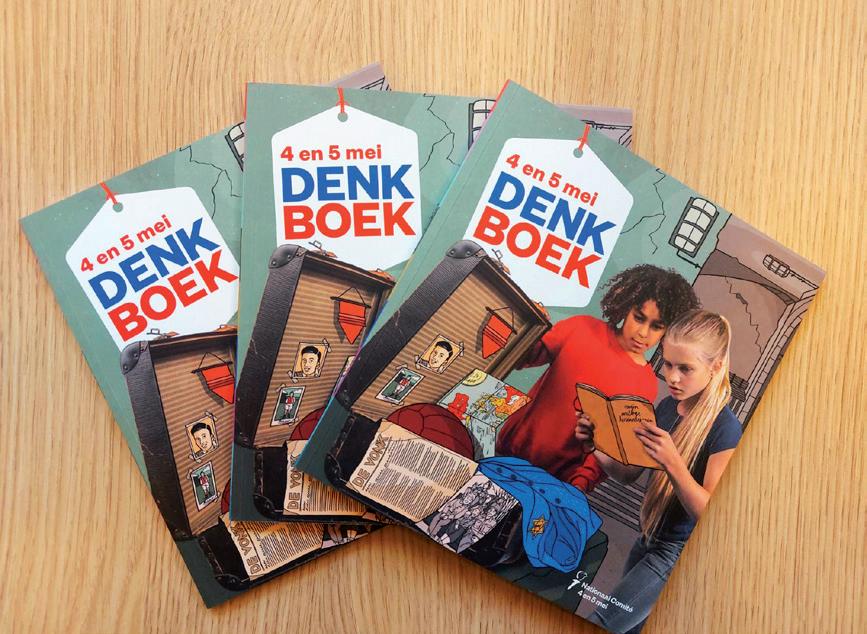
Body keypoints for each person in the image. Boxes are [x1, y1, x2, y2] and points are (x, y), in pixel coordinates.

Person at [580, 310, 743, 633]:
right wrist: (594, 445)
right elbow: (629, 474)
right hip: (647, 538)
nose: (673, 378)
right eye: (668, 364)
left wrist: (672, 462)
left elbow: (711, 514)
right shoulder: (667, 407)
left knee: (603, 622)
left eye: (685, 369)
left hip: (674, 554)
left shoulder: (726, 429)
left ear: (714, 367)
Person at [495, 264, 699, 492]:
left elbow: (608, 448)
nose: (643, 333)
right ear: (626, 306)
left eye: (656, 326)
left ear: (668, 332)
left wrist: (579, 486)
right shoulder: (581, 328)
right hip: (506, 456)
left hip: (555, 486)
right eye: (639, 318)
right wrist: (523, 317)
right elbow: (521, 356)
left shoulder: (645, 385)